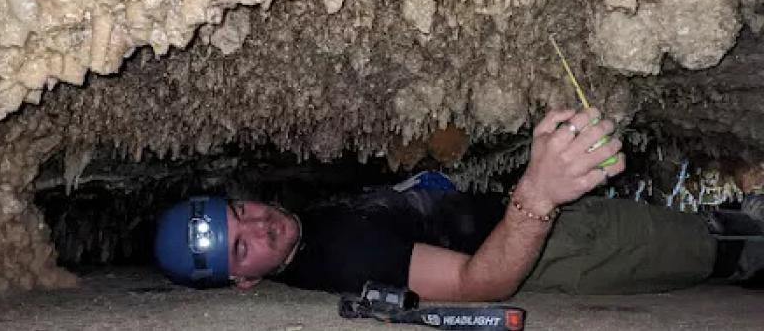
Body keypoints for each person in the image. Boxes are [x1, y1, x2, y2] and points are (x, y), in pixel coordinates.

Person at [154, 108, 764, 299]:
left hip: (542, 227)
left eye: (243, 212)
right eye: (242, 245)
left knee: (697, 229)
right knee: (708, 248)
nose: (260, 223)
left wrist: (420, 192)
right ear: (242, 282)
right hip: (552, 248)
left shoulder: (308, 231)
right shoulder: (340, 258)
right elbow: (481, 282)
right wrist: (536, 195)